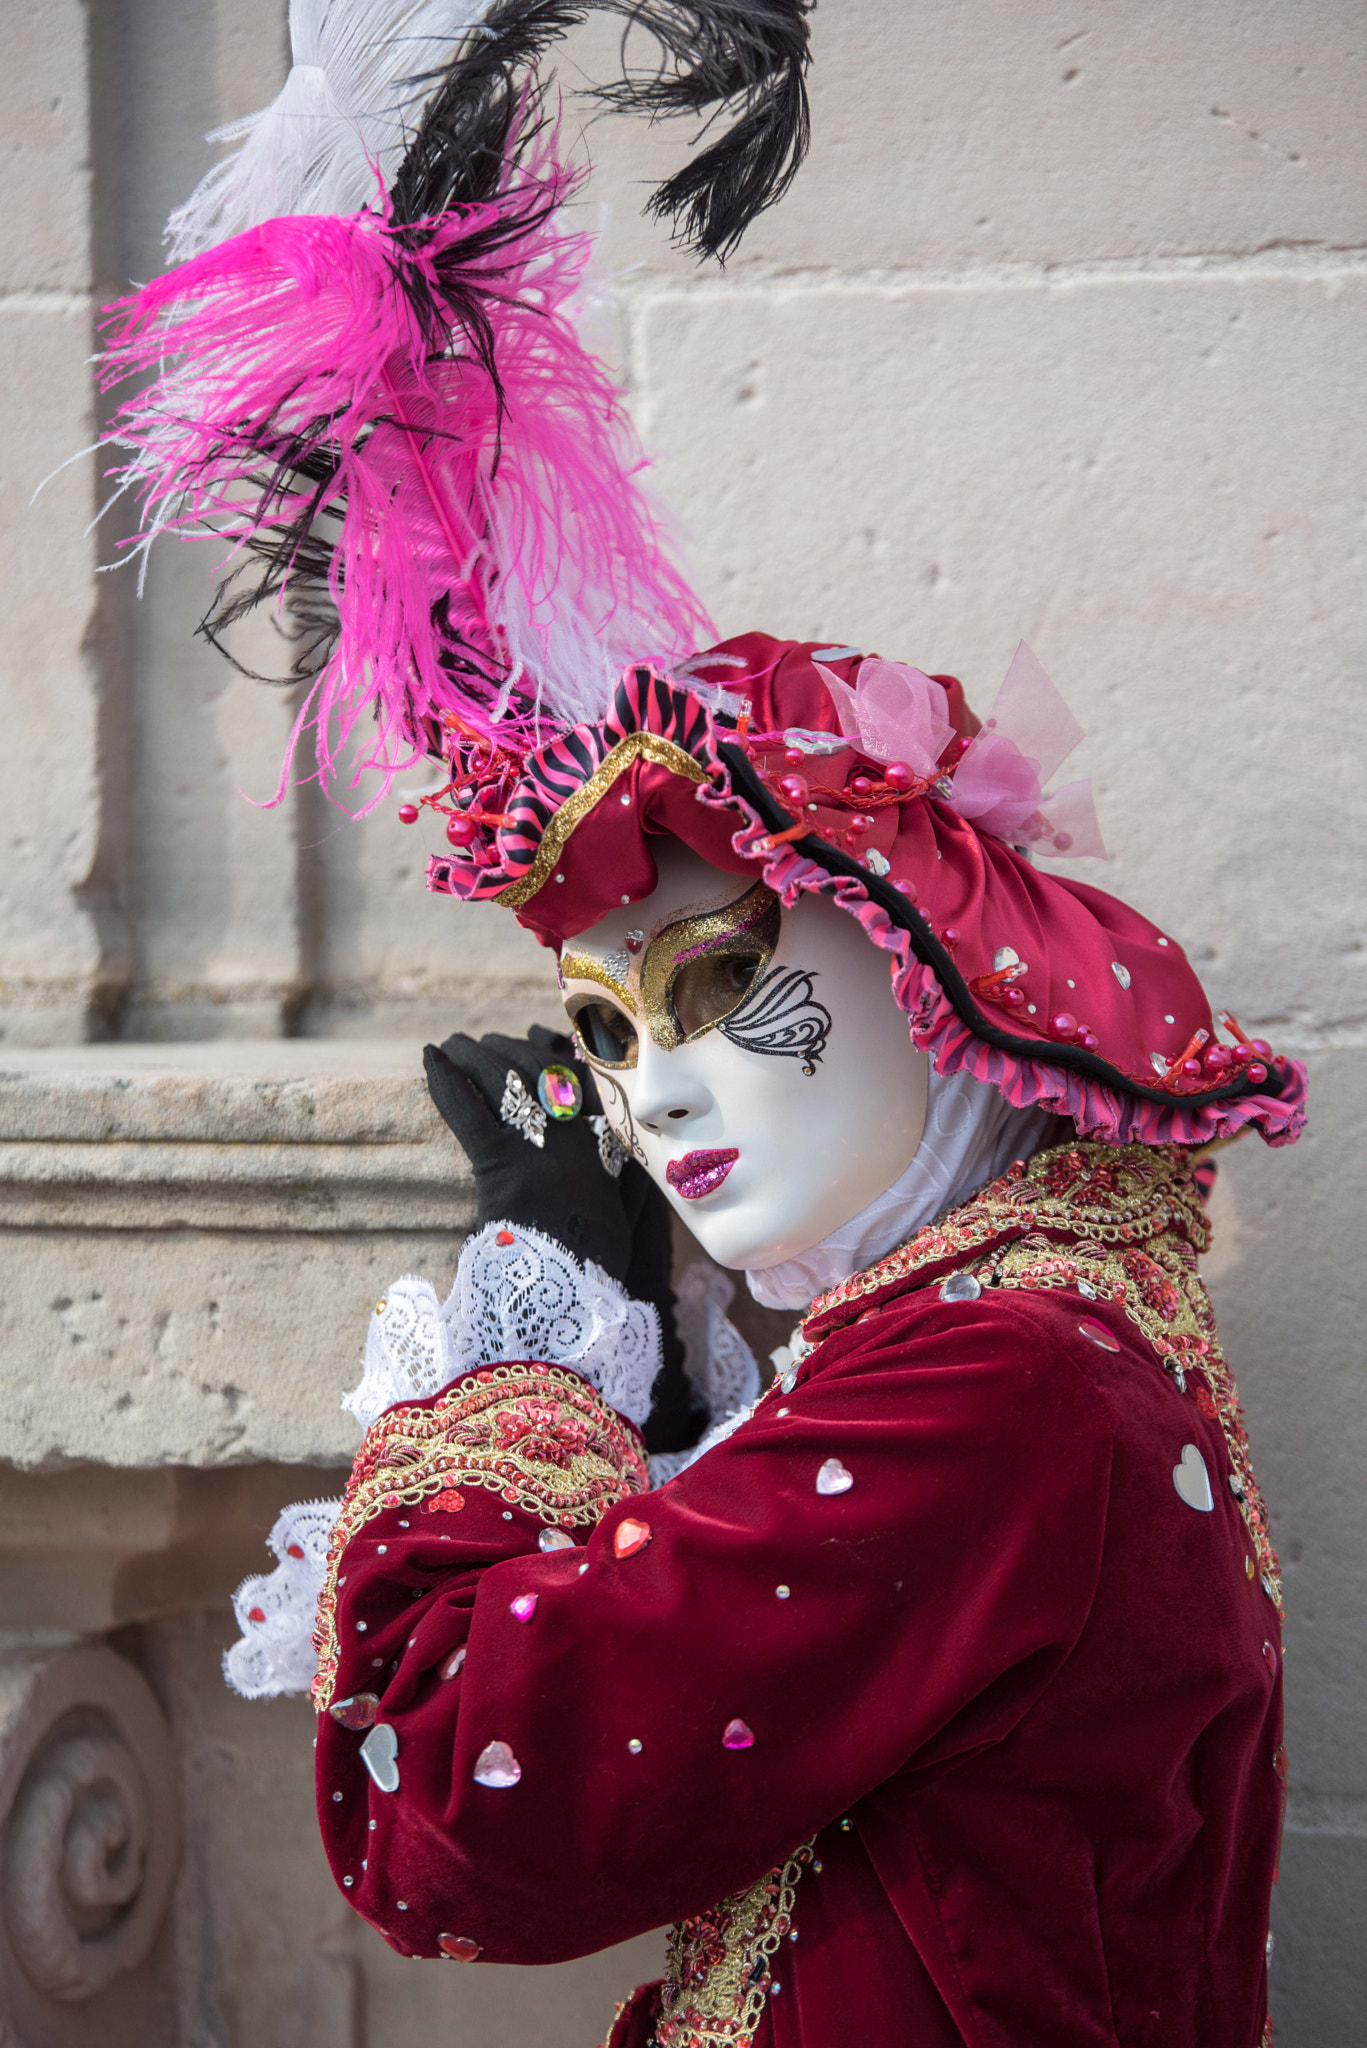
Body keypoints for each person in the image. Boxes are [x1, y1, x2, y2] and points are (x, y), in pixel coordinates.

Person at [97, 6, 1304, 2041]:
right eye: (604, 1026)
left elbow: (456, 1803)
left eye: (725, 986)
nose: (651, 1093)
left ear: (932, 973)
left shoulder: (1005, 1399)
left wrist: (538, 1307)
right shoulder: (1040, 1348)